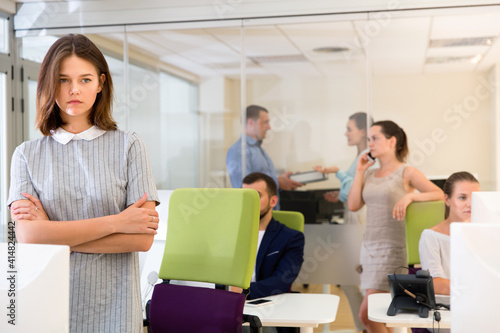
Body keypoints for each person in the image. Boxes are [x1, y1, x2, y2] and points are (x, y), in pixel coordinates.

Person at [7, 34, 160, 333]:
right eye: (63, 80)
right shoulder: (26, 154)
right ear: (49, 84)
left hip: (115, 307)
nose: (74, 90)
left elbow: (141, 239)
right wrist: (119, 221)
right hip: (46, 302)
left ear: (101, 83)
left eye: (85, 79)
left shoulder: (130, 146)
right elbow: (27, 237)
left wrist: (56, 235)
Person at [347, 120, 444, 333]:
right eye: (369, 139)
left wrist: (411, 196)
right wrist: (359, 171)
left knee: (367, 314)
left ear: (392, 141)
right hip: (369, 250)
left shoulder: (406, 172)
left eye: (375, 138)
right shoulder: (370, 174)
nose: (369, 143)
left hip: (393, 250)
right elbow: (353, 205)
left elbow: (440, 194)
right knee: (381, 315)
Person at [313, 112, 374, 332]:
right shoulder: (360, 156)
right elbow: (352, 189)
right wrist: (339, 194)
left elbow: (357, 189)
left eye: (350, 129)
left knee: (357, 279)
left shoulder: (368, 157)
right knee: (350, 279)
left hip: (361, 224)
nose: (346, 133)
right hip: (354, 222)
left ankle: (366, 326)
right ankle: (364, 326)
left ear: (363, 131)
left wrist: (337, 173)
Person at [241, 172, 305, 300]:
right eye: (246, 196)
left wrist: (238, 293)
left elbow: (280, 282)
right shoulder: (231, 233)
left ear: (273, 201)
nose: (250, 202)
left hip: (266, 302)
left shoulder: (291, 238)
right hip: (227, 301)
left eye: (256, 196)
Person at [226, 105, 303, 204]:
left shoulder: (259, 150)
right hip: (255, 216)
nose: (269, 127)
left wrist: (285, 182)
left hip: (270, 213)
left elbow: (265, 181)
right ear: (250, 123)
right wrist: (278, 182)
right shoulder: (238, 151)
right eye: (265, 122)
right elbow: (243, 187)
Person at [419, 171, 480, 295]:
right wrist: (476, 289)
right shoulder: (430, 237)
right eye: (462, 197)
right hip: (446, 308)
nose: (470, 204)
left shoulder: (481, 233)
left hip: (478, 304)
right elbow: (435, 284)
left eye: (475, 198)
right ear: (447, 200)